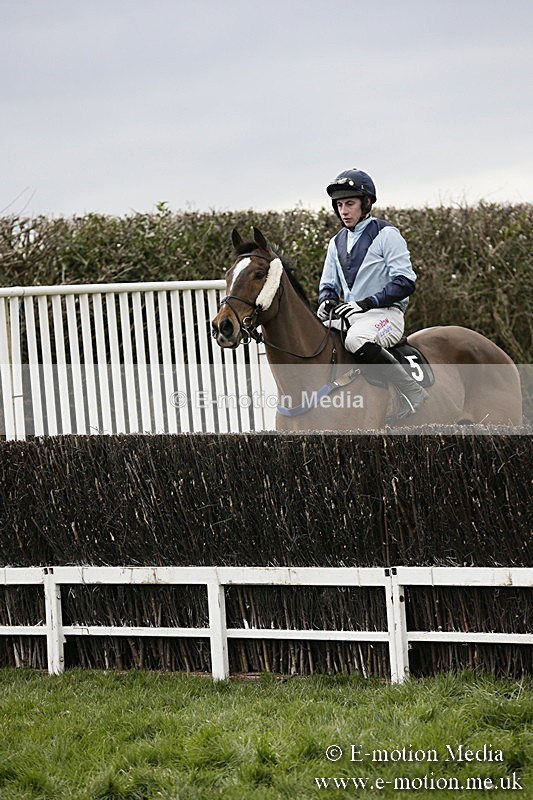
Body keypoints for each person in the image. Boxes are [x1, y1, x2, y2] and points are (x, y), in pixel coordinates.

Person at [317, 168, 428, 418]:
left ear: (366, 203)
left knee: (355, 340)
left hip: (386, 315)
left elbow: (405, 281)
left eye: (350, 203)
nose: (343, 211)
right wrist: (326, 301)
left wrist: (367, 303)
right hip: (352, 315)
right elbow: (328, 285)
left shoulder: (387, 234)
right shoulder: (335, 243)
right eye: (339, 205)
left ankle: (412, 391)